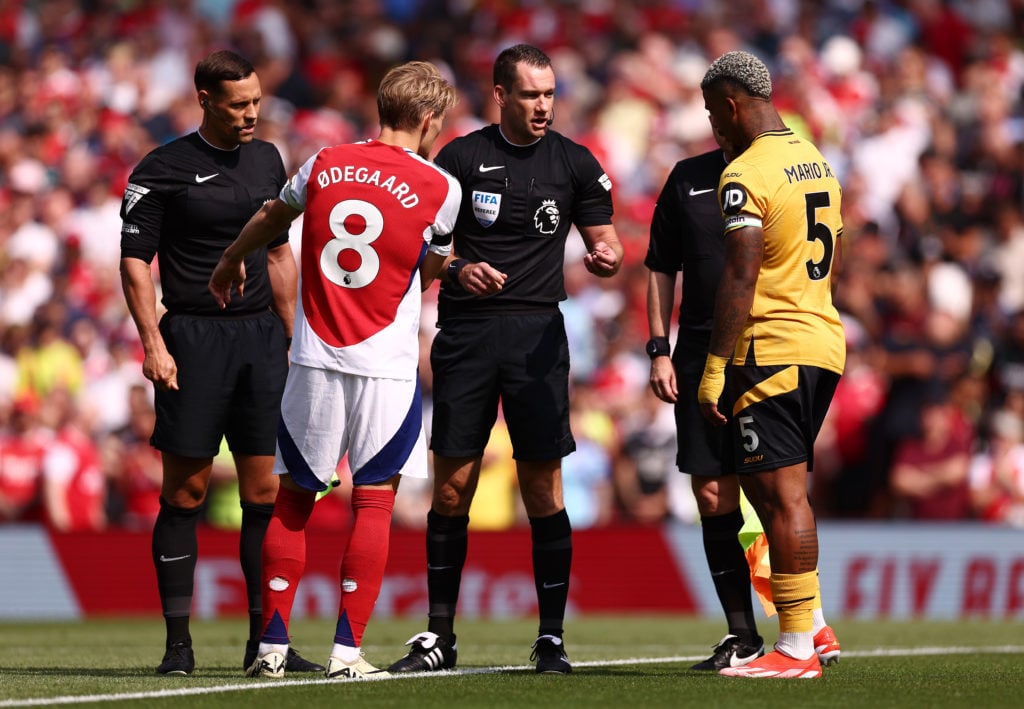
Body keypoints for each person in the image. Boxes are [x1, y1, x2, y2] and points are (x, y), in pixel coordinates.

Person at [208, 60, 461, 680]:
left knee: (293, 499)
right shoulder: (440, 186)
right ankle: (347, 653)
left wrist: (228, 261)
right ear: (429, 120)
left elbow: (273, 216)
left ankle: (270, 647)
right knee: (373, 504)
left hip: (314, 356)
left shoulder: (323, 163)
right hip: (386, 366)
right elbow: (428, 271)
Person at [386, 43, 623, 676]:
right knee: (453, 486)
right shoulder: (460, 159)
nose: (543, 105)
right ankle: (440, 636)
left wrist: (606, 256)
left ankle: (551, 637)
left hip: (538, 337)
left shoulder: (575, 164)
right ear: (501, 95)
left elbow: (608, 242)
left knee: (542, 487)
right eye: (530, 94)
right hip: (467, 337)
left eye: (549, 93)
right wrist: (460, 267)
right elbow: (424, 253)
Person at [119, 49, 321, 677]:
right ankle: (178, 646)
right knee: (187, 490)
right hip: (193, 340)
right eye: (239, 105)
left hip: (261, 341)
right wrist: (153, 342)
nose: (251, 115)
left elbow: (281, 257)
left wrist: (295, 342)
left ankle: (267, 645)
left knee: (265, 491)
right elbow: (133, 263)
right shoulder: (162, 167)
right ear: (204, 99)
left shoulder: (267, 158)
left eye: (256, 102)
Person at [646, 140, 841, 671]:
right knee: (714, 492)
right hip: (702, 344)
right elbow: (661, 266)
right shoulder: (687, 178)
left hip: (763, 344)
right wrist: (659, 348)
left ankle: (807, 623)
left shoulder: (768, 170)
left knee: (777, 487)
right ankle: (743, 633)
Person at [696, 51, 845, 679]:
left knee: (783, 497)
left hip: (773, 348)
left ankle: (792, 650)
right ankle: (811, 623)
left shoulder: (745, 172)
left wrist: (714, 366)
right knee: (765, 484)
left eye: (711, 113)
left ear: (731, 105)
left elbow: (741, 271)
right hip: (822, 341)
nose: (712, 128)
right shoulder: (815, 156)